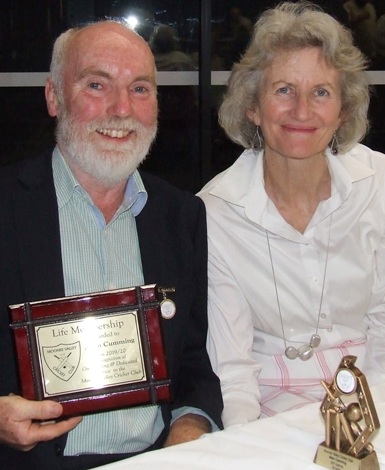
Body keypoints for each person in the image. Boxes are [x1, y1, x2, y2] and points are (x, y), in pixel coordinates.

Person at [0, 20, 222, 469]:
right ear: (53, 96)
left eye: (140, 88)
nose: (122, 109)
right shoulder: (6, 208)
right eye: (97, 84)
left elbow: (194, 359)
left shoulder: (181, 216)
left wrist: (190, 427)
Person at [198, 1, 385, 428]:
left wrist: (378, 427)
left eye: (321, 92)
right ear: (252, 107)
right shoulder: (215, 213)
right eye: (283, 90)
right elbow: (232, 368)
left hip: (373, 392)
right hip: (269, 405)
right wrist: (245, 448)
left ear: (343, 111)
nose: (302, 111)